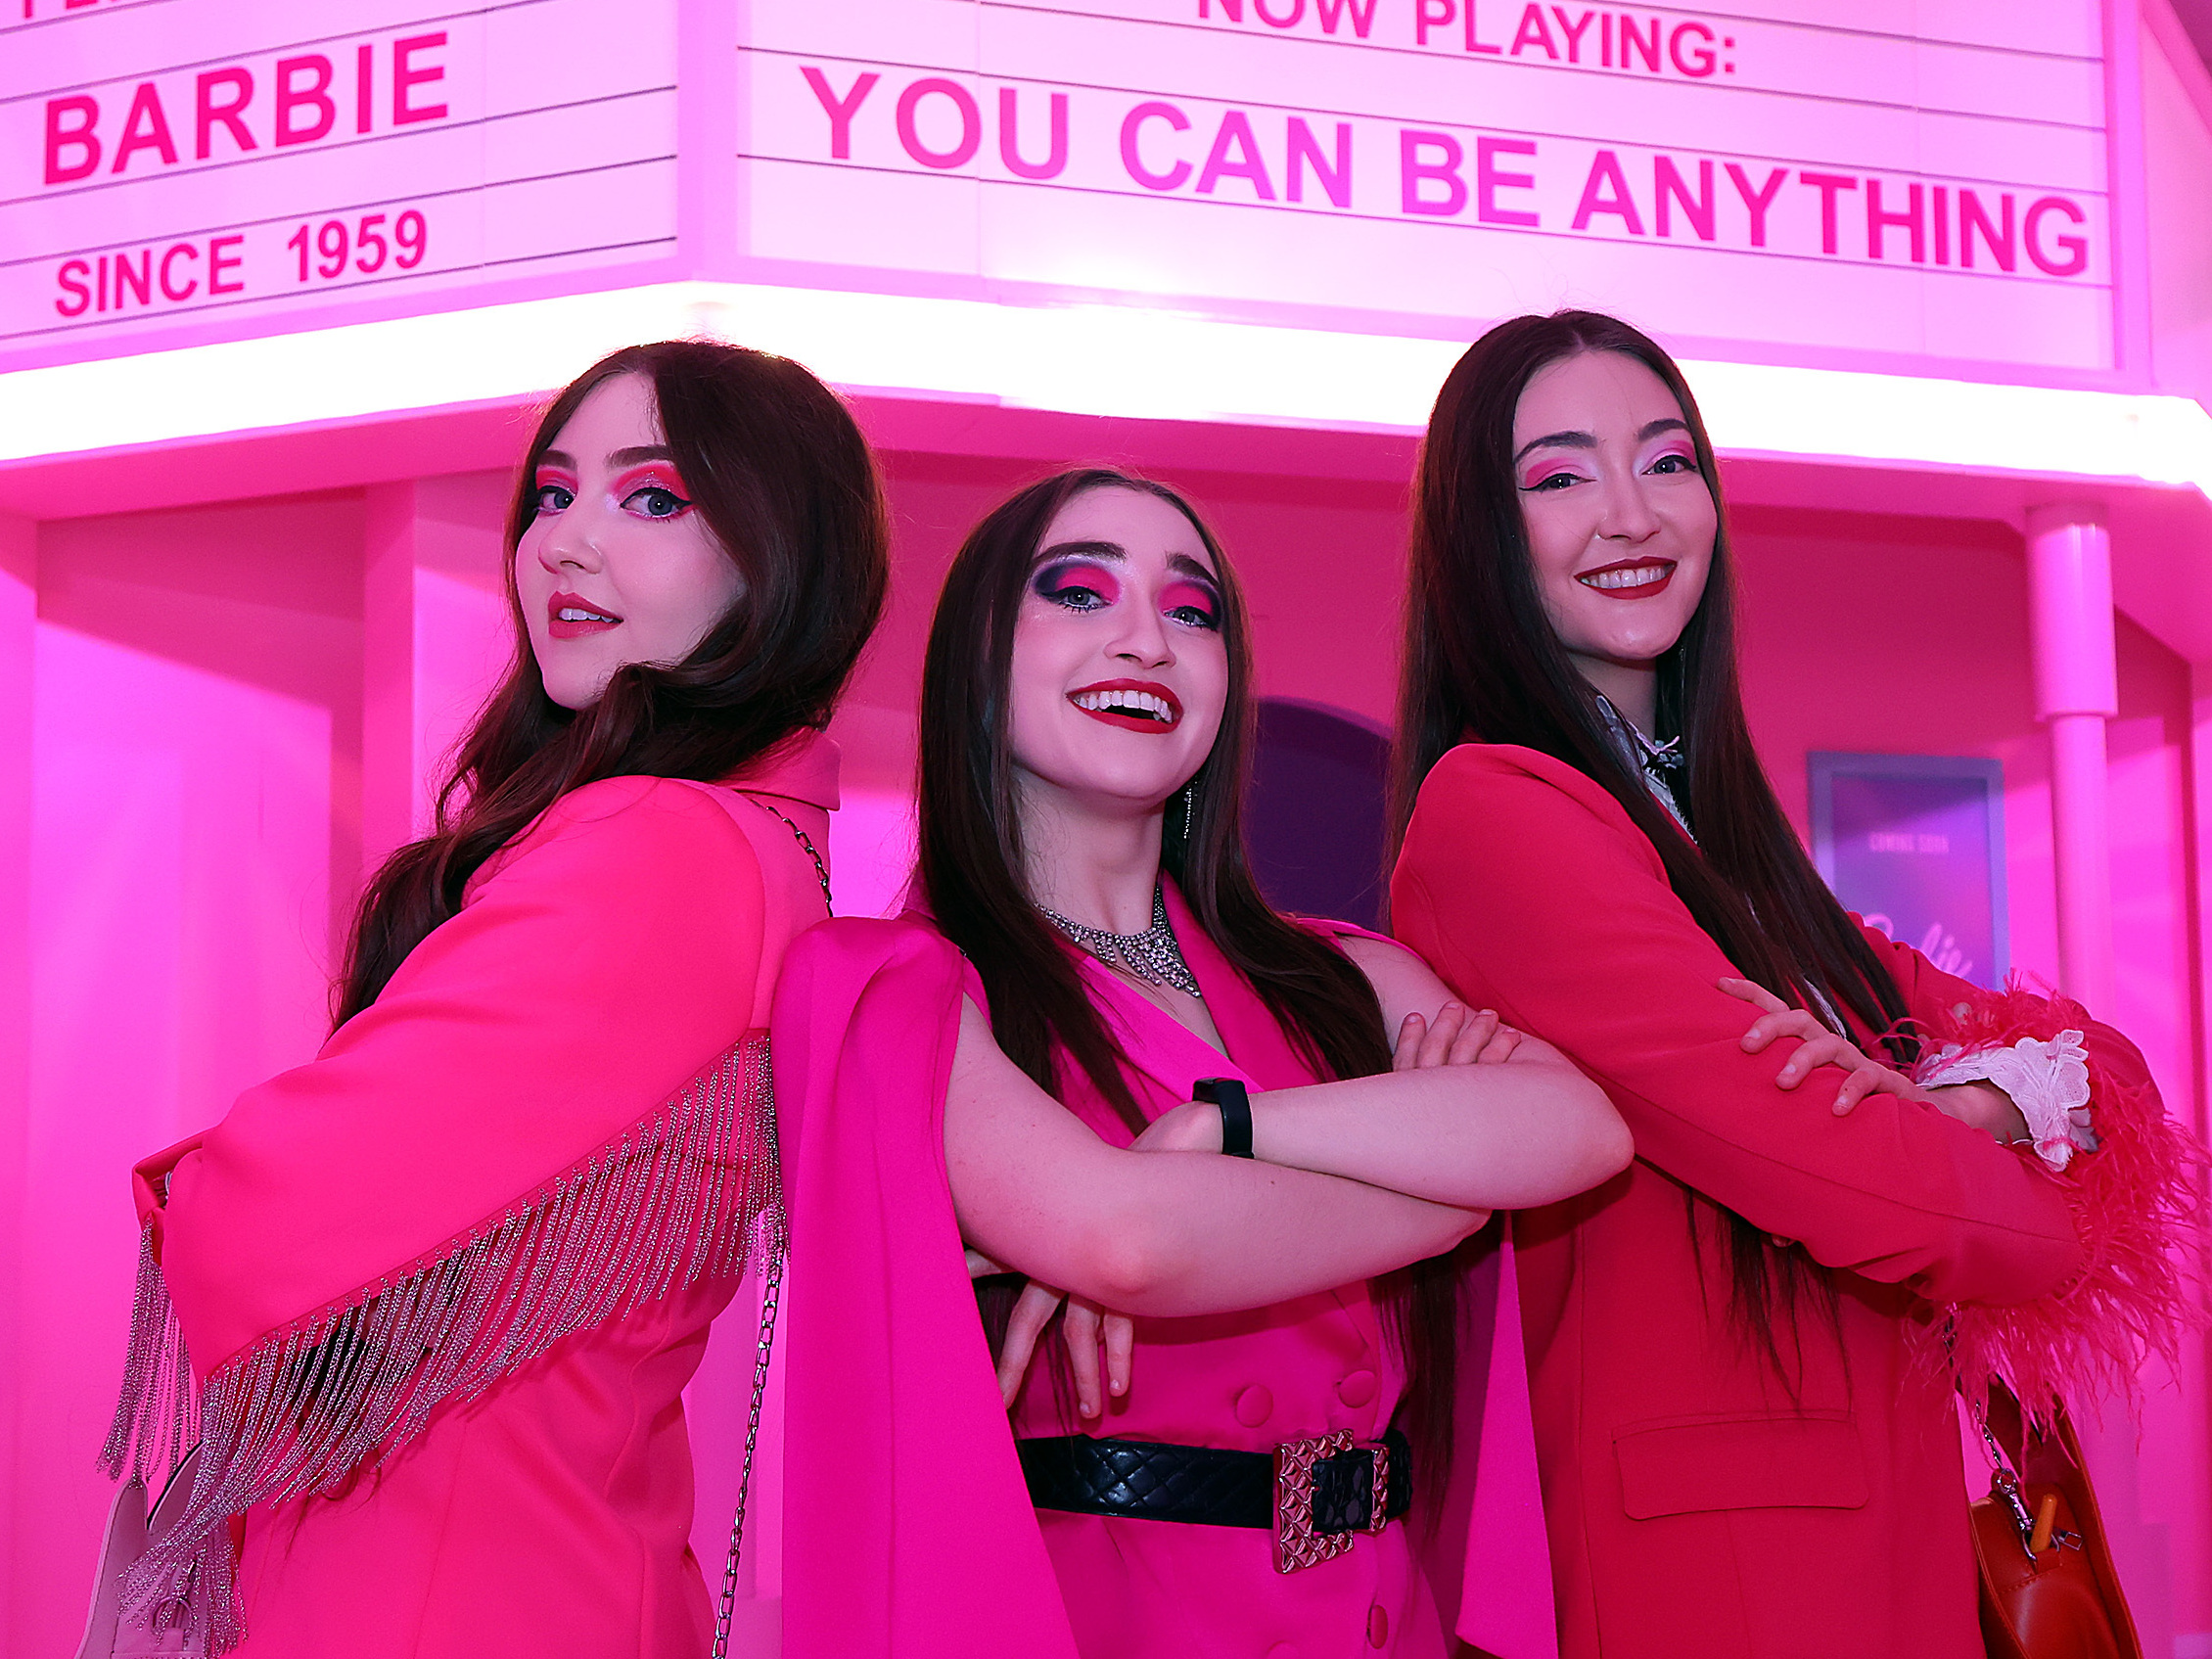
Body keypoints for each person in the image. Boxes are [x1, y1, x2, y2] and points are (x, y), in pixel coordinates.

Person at [1388, 310, 2200, 1659]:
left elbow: (2110, 1063)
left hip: (1877, 1527)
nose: (1632, 512)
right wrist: (2012, 1149)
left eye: (1667, 459)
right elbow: (1837, 1170)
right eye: (1560, 473)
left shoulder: (1725, 844)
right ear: (1481, 533)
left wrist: (1960, 1099)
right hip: (1718, 1563)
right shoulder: (1499, 813)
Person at [92, 341, 889, 1658]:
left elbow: (290, 1195)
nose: (565, 543)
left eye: (651, 498)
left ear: (780, 555)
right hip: (535, 1551)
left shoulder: (660, 843)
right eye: (552, 494)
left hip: (453, 1583)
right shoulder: (748, 839)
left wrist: (198, 1179)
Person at [774, 467, 1633, 1659]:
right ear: (974, 659)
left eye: (1192, 612)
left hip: (1380, 1619)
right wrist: (1448, 1190)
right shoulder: (893, 989)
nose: (1147, 639)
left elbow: (1578, 1131)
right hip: (1102, 1617)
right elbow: (1127, 1238)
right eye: (1078, 593)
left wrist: (1237, 1131)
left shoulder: (1340, 977)